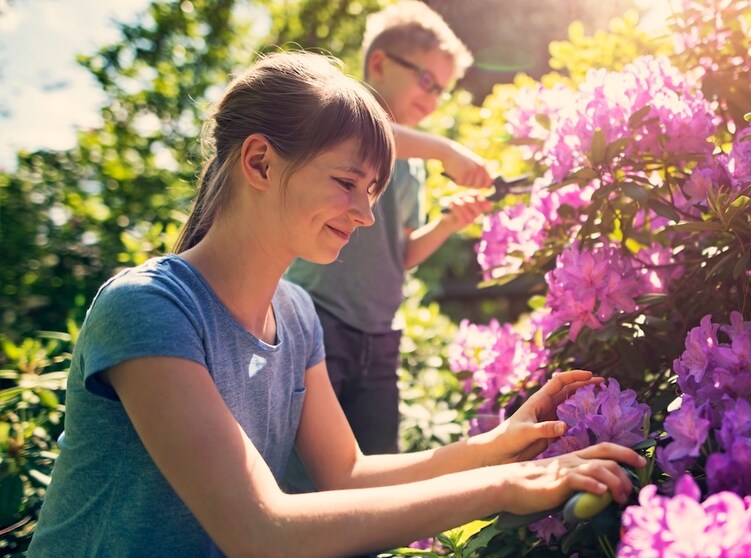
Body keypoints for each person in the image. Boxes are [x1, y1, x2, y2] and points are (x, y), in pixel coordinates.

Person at [26, 51, 644, 558]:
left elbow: (347, 474)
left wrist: (494, 448)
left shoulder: (295, 315)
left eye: (372, 191)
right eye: (347, 183)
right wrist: (506, 485)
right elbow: (260, 531)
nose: (366, 212)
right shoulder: (149, 308)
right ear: (260, 162)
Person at [282, 1, 491, 459]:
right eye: (426, 80)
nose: (433, 99)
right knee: (309, 471)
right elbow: (372, 133)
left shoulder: (411, 166)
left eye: (442, 89)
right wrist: (447, 151)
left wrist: (449, 222)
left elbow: (405, 254)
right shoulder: (340, 121)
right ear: (379, 64)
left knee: (376, 464)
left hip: (378, 338)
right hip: (322, 321)